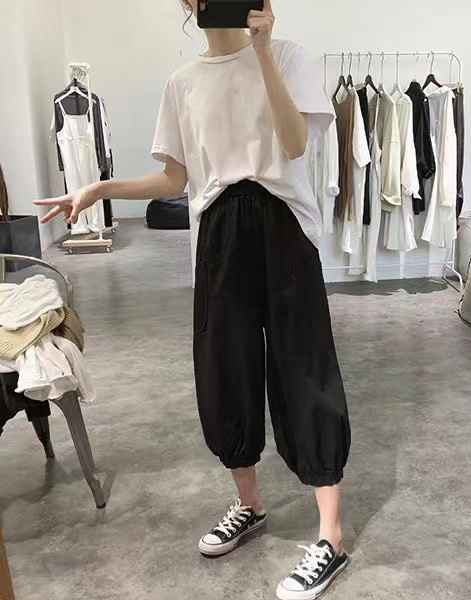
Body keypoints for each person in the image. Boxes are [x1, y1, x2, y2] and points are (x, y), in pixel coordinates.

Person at [36, 1, 351, 598]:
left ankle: (329, 536)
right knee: (224, 371)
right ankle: (251, 506)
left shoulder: (289, 57)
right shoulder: (182, 83)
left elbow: (293, 145)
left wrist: (263, 52)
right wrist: (99, 189)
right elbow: (175, 181)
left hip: (286, 232)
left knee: (304, 368)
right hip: (218, 238)